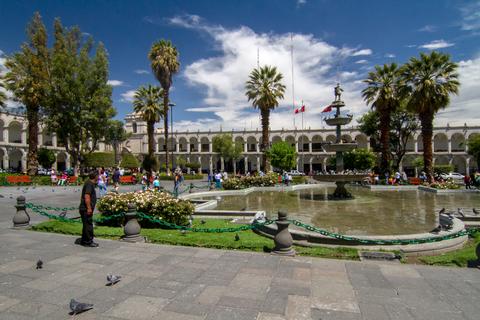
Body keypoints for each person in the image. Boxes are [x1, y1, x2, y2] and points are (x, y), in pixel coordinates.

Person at [79, 171, 98, 247]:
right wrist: (89, 208)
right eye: (98, 175)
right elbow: (87, 196)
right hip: (86, 209)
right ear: (95, 176)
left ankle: (84, 240)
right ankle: (88, 241)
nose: (99, 177)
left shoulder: (89, 183)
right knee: (88, 225)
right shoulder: (89, 184)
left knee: (86, 225)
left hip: (84, 208)